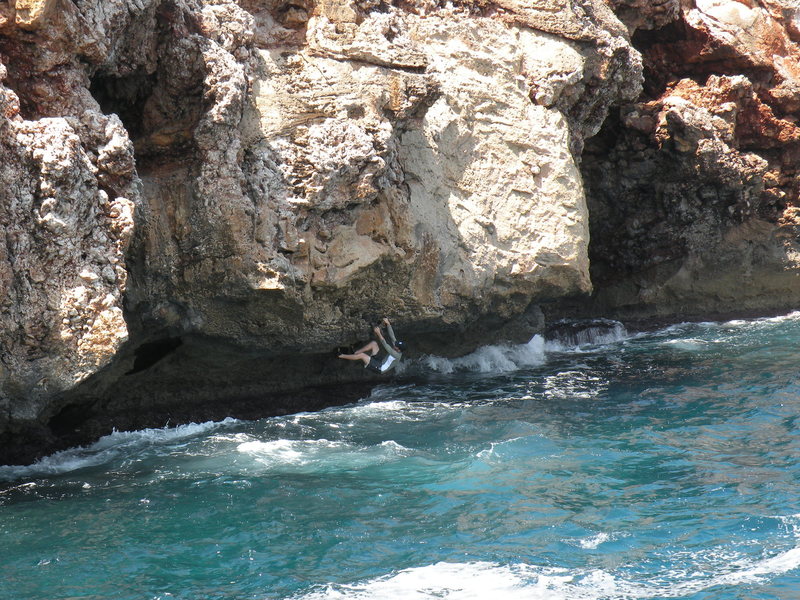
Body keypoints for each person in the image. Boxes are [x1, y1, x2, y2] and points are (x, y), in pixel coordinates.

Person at [338, 317, 404, 373]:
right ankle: (355, 352)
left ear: (398, 349)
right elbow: (392, 336)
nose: (395, 345)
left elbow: (385, 345)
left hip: (380, 368)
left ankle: (340, 355)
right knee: (374, 344)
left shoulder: (396, 355)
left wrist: (378, 333)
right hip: (380, 360)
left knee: (362, 356)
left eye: (396, 346)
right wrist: (388, 323)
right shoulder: (397, 347)